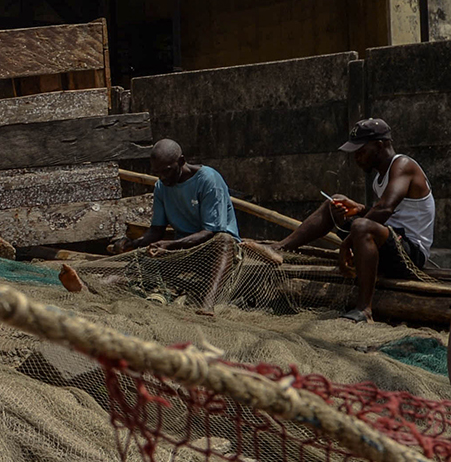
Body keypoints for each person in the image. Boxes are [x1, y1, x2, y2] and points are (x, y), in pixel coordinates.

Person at [265, 118, 435, 322]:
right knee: (335, 203)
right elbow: (389, 214)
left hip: (411, 253)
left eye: (361, 151)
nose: (357, 158)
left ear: (379, 146)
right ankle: (280, 247)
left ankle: (364, 309)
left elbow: (385, 208)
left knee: (361, 226)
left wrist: (347, 243)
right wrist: (359, 209)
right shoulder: (379, 179)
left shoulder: (403, 165)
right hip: (390, 240)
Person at [116, 139, 240, 312]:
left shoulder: (209, 180)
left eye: (167, 171)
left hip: (213, 249)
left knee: (224, 241)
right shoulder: (161, 186)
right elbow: (156, 231)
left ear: (181, 162)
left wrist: (171, 245)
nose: (163, 177)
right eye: (158, 173)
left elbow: (211, 231)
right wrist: (134, 243)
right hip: (183, 250)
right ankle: (95, 284)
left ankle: (207, 306)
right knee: (140, 266)